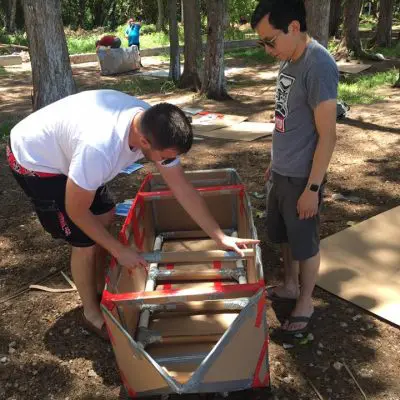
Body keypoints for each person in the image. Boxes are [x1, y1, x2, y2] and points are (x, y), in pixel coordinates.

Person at [7, 89, 259, 340]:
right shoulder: (99, 149)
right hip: (35, 160)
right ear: (145, 143)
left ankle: (98, 286)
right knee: (83, 241)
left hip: (71, 150)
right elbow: (76, 211)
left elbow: (181, 188)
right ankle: (91, 314)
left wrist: (218, 236)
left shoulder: (152, 124)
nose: (168, 162)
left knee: (106, 214)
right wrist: (119, 250)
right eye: (165, 158)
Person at [251, 0, 338, 335]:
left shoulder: (318, 65)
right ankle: (289, 284)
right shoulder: (288, 61)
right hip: (283, 171)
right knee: (284, 235)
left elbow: (328, 135)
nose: (267, 49)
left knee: (305, 242)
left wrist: (312, 189)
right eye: (262, 42)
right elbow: (285, 120)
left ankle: (305, 301)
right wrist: (275, 162)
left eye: (269, 40)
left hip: (304, 177)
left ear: (294, 28)